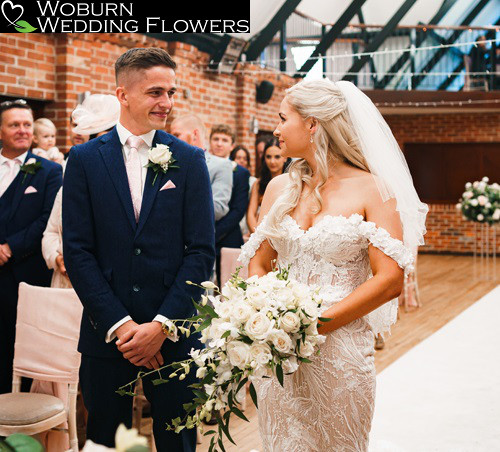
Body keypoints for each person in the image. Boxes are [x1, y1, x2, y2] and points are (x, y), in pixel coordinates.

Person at [238, 79, 427, 451]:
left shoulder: (374, 188)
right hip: (278, 352)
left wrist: (312, 325)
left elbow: (390, 280)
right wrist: (265, 316)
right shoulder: (278, 189)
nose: (275, 130)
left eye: (282, 118)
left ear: (312, 124)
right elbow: (258, 263)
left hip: (340, 352)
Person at [62, 47, 215, 451]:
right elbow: (77, 251)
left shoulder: (189, 159)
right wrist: (125, 327)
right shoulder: (83, 160)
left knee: (178, 441)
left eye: (171, 92)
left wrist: (161, 326)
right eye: (155, 92)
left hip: (175, 334)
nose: (166, 103)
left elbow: (201, 251)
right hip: (107, 333)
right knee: (105, 441)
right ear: (123, 94)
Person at [0, 99, 63, 394]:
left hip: (26, 275)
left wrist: (9, 247)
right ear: (1, 131)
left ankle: (22, 424)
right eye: (15, 125)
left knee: (21, 349)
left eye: (27, 125)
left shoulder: (49, 172)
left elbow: (45, 219)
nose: (23, 131)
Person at [171, 114, 233, 221]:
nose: (172, 140)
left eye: (177, 135)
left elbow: (218, 208)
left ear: (195, 134)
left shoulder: (221, 165)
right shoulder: (169, 162)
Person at [209, 124, 249, 283]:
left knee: (229, 288)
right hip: (201, 236)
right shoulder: (201, 165)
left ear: (232, 146)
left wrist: (213, 234)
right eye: (216, 139)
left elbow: (238, 210)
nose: (219, 143)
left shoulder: (241, 173)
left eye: (224, 140)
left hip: (228, 237)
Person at [246, 138, 289, 234]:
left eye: (277, 157)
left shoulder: (292, 182)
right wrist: (258, 236)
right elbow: (250, 215)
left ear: (285, 157)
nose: (272, 161)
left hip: (284, 234)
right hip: (260, 232)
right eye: (268, 157)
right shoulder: (258, 184)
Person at [230, 145, 257, 237]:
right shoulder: (228, 179)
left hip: (247, 225)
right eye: (238, 158)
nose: (242, 161)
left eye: (245, 159)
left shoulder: (253, 181)